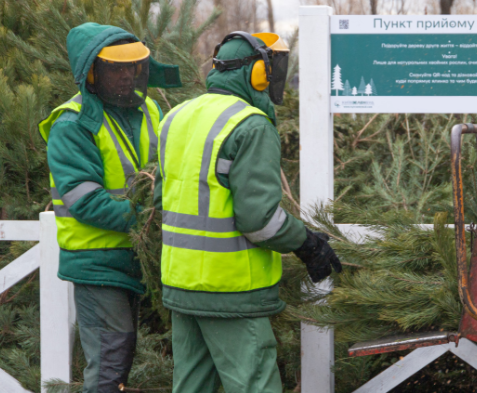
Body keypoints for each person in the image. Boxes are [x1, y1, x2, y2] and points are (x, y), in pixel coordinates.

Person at [154, 31, 342, 393]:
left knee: (191, 386)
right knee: (256, 385)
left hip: (180, 283)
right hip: (231, 289)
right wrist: (307, 244)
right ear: (257, 73)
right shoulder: (250, 125)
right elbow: (259, 221)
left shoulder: (175, 117)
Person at [39, 23, 181, 392]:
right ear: (91, 72)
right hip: (97, 262)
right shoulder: (71, 124)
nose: (126, 75)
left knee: (120, 361)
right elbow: (85, 201)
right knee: (109, 366)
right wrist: (152, 222)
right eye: (115, 68)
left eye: (131, 67)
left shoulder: (149, 108)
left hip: (138, 258)